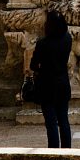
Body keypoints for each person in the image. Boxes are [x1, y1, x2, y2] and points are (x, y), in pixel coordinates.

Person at [30, 9, 72, 149]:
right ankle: (67, 150)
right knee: (64, 121)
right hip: (63, 84)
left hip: (47, 86)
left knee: (51, 123)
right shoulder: (67, 38)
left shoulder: (43, 43)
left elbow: (34, 65)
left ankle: (53, 150)